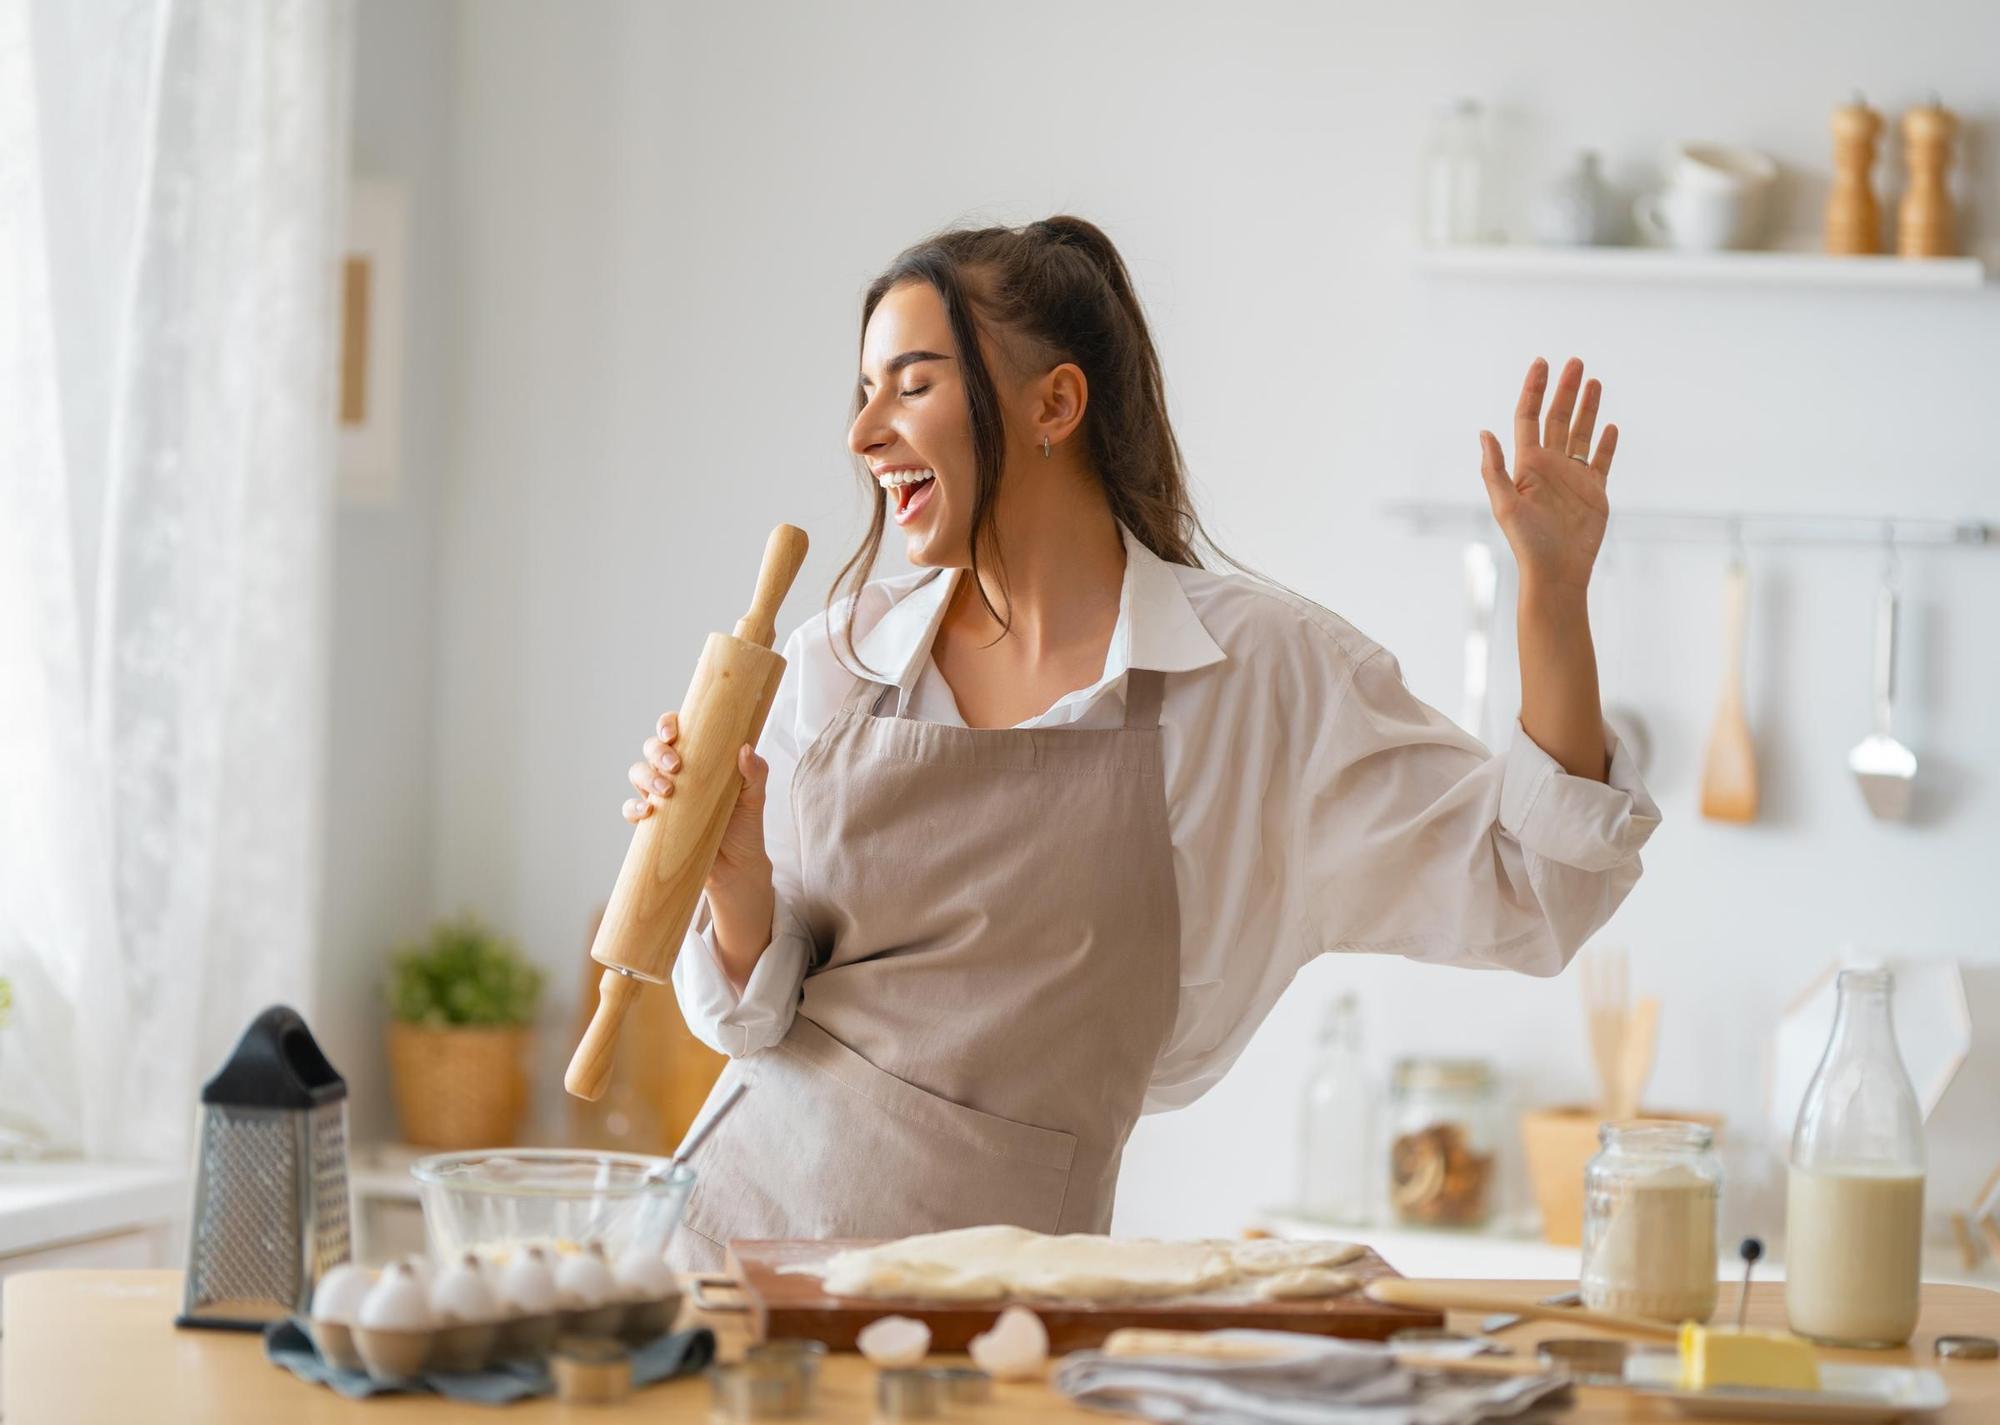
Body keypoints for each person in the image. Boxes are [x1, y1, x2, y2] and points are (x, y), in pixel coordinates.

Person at [621, 216, 1659, 1272]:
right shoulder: (836, 661)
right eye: (864, 391)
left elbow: (1533, 888)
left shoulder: (1254, 678)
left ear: (1055, 405)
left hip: (1006, 1311)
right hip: (724, 1260)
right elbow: (751, 1023)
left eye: (912, 385)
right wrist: (732, 876)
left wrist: (1552, 598)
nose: (864, 432)